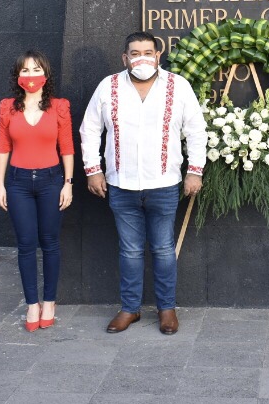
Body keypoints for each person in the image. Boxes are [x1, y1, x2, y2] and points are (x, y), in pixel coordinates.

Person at [79, 32, 207, 335]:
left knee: (163, 249)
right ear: (125, 58)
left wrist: (195, 171)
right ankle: (130, 309)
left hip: (163, 183)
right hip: (121, 184)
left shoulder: (178, 86)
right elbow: (90, 130)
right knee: (130, 251)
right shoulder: (108, 87)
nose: (142, 58)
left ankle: (166, 310)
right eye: (135, 53)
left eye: (148, 52)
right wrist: (93, 170)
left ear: (158, 55)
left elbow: (197, 131)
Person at [0, 50, 74, 331]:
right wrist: (0, 185)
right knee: (26, 244)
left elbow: (66, 147)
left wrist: (68, 183)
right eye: (25, 70)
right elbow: (3, 147)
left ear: (46, 74)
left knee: (50, 242)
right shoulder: (7, 107)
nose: (31, 75)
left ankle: (50, 301)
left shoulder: (59, 107)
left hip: (51, 181)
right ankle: (32, 304)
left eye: (36, 69)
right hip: (17, 183)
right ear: (18, 76)